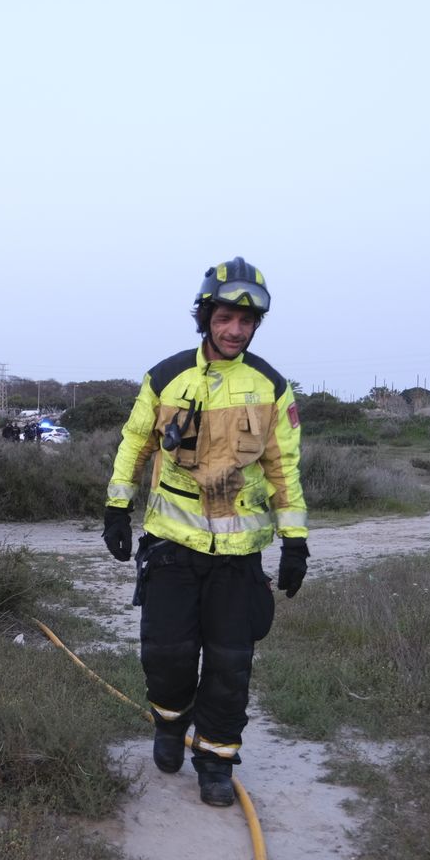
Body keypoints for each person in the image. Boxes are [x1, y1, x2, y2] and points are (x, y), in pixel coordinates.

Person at [100, 257, 308, 807]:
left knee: (229, 664)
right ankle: (170, 724)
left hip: (238, 558)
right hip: (172, 547)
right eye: (225, 317)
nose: (235, 329)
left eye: (246, 321)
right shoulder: (167, 377)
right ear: (205, 316)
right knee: (165, 656)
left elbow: (284, 468)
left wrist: (296, 541)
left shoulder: (270, 385)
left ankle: (216, 760)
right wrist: (116, 509)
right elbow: (135, 444)